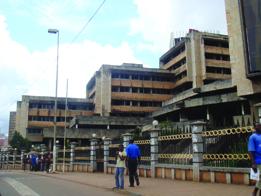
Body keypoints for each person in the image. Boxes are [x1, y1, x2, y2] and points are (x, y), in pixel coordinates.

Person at [248, 123, 261, 196]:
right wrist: (253, 163)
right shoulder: (253, 137)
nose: (260, 127)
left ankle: (255, 191)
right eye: (258, 126)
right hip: (258, 161)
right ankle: (255, 191)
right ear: (255, 128)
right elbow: (251, 150)